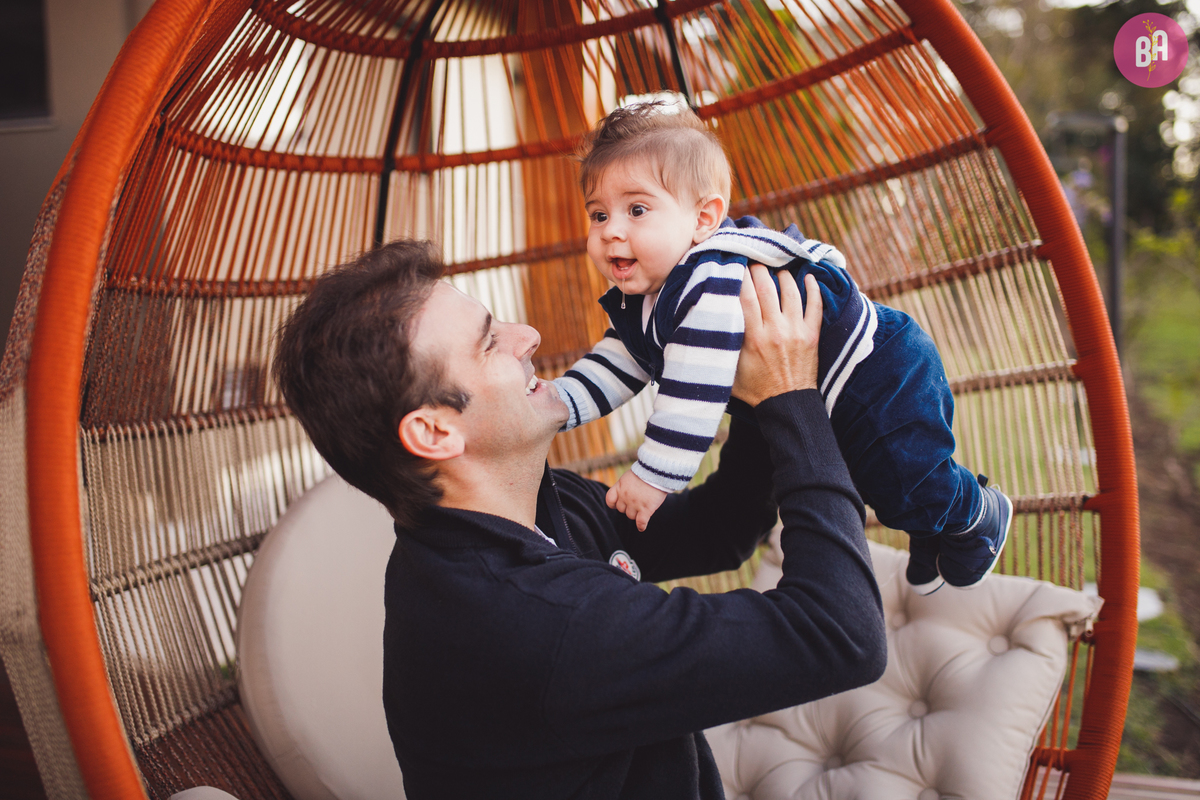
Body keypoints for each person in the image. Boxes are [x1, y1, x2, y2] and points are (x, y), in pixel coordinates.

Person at [272, 238, 886, 799]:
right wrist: (792, 398)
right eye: (490, 343)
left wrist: (751, 384)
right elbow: (842, 633)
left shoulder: (525, 509)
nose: (528, 335)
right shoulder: (532, 620)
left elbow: (716, 533)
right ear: (434, 431)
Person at [552, 101, 1012, 591]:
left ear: (704, 218)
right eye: (598, 214)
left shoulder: (709, 278)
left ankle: (974, 515)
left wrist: (653, 477)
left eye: (636, 209)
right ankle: (928, 528)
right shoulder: (648, 297)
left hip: (878, 375)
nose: (611, 231)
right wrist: (557, 403)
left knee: (907, 479)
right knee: (884, 482)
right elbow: (617, 363)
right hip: (825, 392)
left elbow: (693, 390)